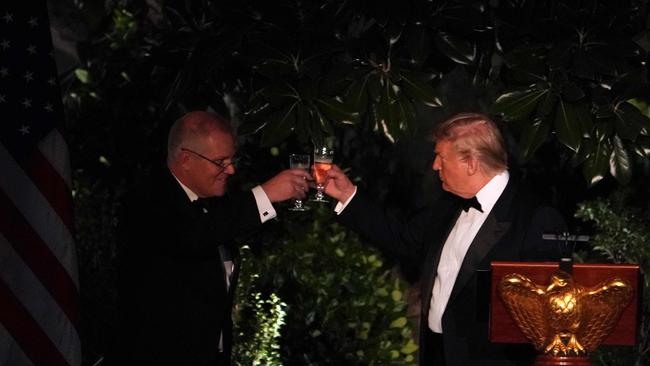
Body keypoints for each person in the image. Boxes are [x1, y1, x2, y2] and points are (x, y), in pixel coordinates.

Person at [324, 112, 567, 365]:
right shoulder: (449, 204)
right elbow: (402, 238)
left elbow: (546, 317)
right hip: (436, 353)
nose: (434, 165)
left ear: (471, 163)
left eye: (441, 156)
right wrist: (347, 195)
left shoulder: (536, 218)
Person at [110, 110, 311, 366]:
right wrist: (265, 194)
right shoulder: (147, 203)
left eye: (232, 159)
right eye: (220, 161)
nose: (231, 169)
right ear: (185, 159)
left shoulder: (212, 206)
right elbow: (192, 234)